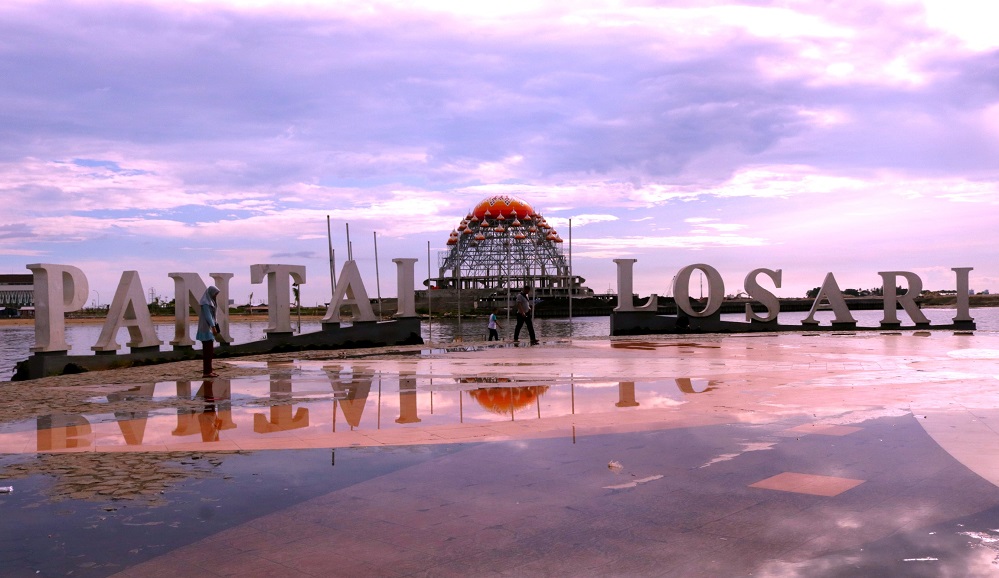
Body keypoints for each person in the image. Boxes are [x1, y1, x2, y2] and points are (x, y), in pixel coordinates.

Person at [196, 286, 222, 377]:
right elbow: (208, 316)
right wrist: (213, 326)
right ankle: (207, 372)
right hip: (206, 328)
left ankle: (209, 371)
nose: (216, 296)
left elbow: (213, 316)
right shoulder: (205, 303)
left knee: (209, 351)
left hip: (209, 328)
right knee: (207, 351)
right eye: (215, 294)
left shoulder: (211, 302)